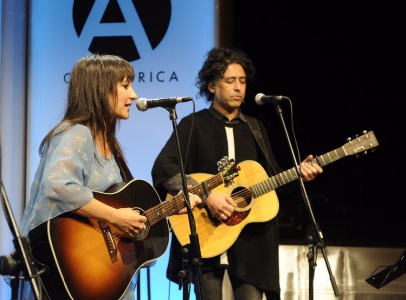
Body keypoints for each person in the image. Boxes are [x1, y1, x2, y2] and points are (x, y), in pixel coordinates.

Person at [18, 54, 201, 300]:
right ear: (99, 90)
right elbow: (58, 186)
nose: (134, 95)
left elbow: (112, 208)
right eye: (125, 86)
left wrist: (170, 207)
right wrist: (116, 216)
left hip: (103, 274)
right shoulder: (77, 133)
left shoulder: (108, 143)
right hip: (64, 268)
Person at [151, 47, 323, 300]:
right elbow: (164, 169)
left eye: (242, 81)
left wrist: (300, 175)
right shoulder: (193, 125)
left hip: (251, 243)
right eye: (230, 81)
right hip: (208, 236)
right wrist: (208, 196)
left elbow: (272, 185)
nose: (238, 88)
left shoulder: (255, 128)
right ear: (211, 86)